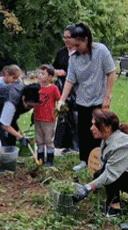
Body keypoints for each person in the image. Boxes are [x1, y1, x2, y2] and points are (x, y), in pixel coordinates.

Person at [72, 109, 128, 218]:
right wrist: (96, 182)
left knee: (109, 175)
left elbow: (110, 174)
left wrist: (87, 187)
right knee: (100, 174)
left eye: (95, 125)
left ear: (107, 127)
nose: (91, 128)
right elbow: (103, 165)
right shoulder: (107, 138)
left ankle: (114, 208)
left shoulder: (120, 145)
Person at [58, 22, 116, 172]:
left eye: (77, 45)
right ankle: (84, 161)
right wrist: (61, 100)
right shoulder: (74, 58)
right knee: (84, 132)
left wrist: (107, 97)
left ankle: (99, 162)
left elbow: (111, 72)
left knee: (98, 132)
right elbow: (70, 80)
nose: (74, 48)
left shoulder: (101, 50)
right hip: (82, 100)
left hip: (99, 101)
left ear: (85, 40)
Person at [0, 83, 40, 174]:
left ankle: (10, 159)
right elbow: (5, 125)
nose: (30, 109)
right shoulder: (12, 101)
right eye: (29, 106)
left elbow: (11, 120)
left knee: (13, 128)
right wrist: (21, 137)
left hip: (2, 103)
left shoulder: (27, 93)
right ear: (23, 98)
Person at [52, 24, 79, 155]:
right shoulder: (61, 52)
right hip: (63, 88)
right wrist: (57, 72)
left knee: (76, 116)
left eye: (69, 37)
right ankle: (66, 145)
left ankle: (77, 145)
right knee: (64, 116)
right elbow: (53, 68)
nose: (66, 40)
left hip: (77, 89)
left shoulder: (80, 53)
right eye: (64, 37)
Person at [33, 64, 60, 167]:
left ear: (50, 77)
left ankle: (49, 160)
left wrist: (59, 110)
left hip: (49, 119)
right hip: (37, 118)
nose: (40, 75)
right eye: (39, 73)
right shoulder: (36, 87)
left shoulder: (53, 88)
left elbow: (59, 100)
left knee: (48, 140)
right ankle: (40, 158)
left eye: (43, 73)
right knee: (39, 140)